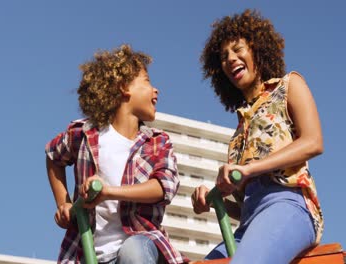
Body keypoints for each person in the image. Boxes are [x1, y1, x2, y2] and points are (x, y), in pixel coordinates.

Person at [191, 9, 324, 264]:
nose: (231, 59)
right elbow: (244, 209)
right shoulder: (238, 134)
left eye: (238, 49)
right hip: (249, 224)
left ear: (257, 50)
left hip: (289, 205)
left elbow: (313, 142)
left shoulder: (288, 86)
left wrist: (251, 169)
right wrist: (213, 200)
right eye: (223, 57)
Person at [45, 44, 188, 264]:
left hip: (139, 246)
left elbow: (163, 186)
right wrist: (63, 203)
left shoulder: (157, 143)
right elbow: (53, 156)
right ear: (124, 87)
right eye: (147, 81)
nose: (156, 90)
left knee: (134, 251)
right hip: (87, 253)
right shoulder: (85, 134)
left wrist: (109, 192)